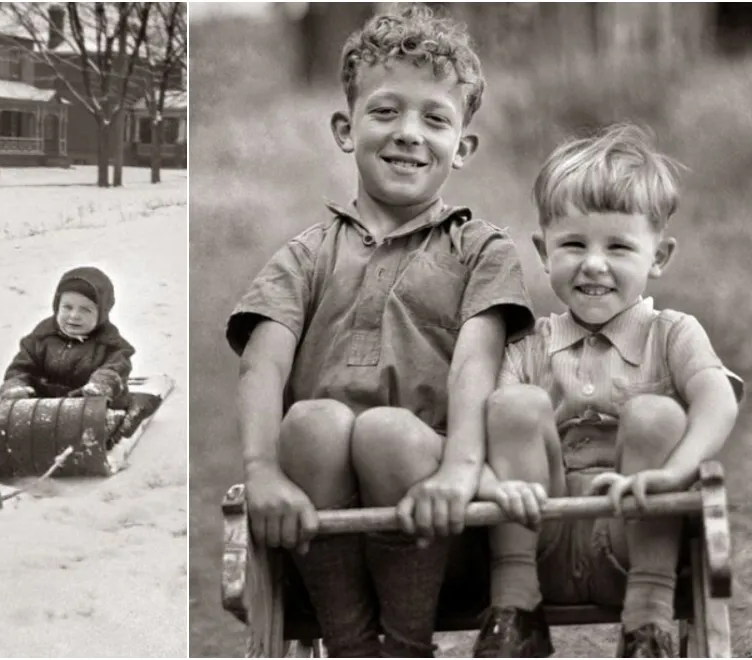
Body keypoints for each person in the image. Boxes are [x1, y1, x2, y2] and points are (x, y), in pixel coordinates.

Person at [225, 5, 535, 656]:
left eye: (435, 118)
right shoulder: (305, 255)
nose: (408, 134)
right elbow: (262, 364)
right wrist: (261, 470)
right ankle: (349, 642)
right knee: (312, 422)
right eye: (386, 111)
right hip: (320, 518)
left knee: (386, 432)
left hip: (438, 512)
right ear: (347, 127)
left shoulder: (482, 250)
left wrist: (459, 468)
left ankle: (406, 643)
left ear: (464, 147)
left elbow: (477, 362)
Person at [472, 123, 743, 657]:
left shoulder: (673, 333)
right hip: (538, 539)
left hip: (636, 541)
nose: (593, 263)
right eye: (573, 243)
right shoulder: (528, 345)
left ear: (659, 256)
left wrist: (674, 472)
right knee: (512, 404)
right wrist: (489, 486)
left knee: (656, 415)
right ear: (543, 251)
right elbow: (481, 435)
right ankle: (514, 613)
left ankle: (648, 622)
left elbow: (717, 399)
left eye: (619, 246)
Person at [0, 266, 135, 409]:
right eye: (67, 307)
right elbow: (21, 368)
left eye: (85, 310)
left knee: (98, 412)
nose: (74, 315)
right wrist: (16, 385)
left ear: (101, 313)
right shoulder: (40, 339)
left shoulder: (110, 345)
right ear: (57, 307)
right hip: (44, 408)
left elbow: (115, 368)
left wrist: (102, 384)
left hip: (91, 409)